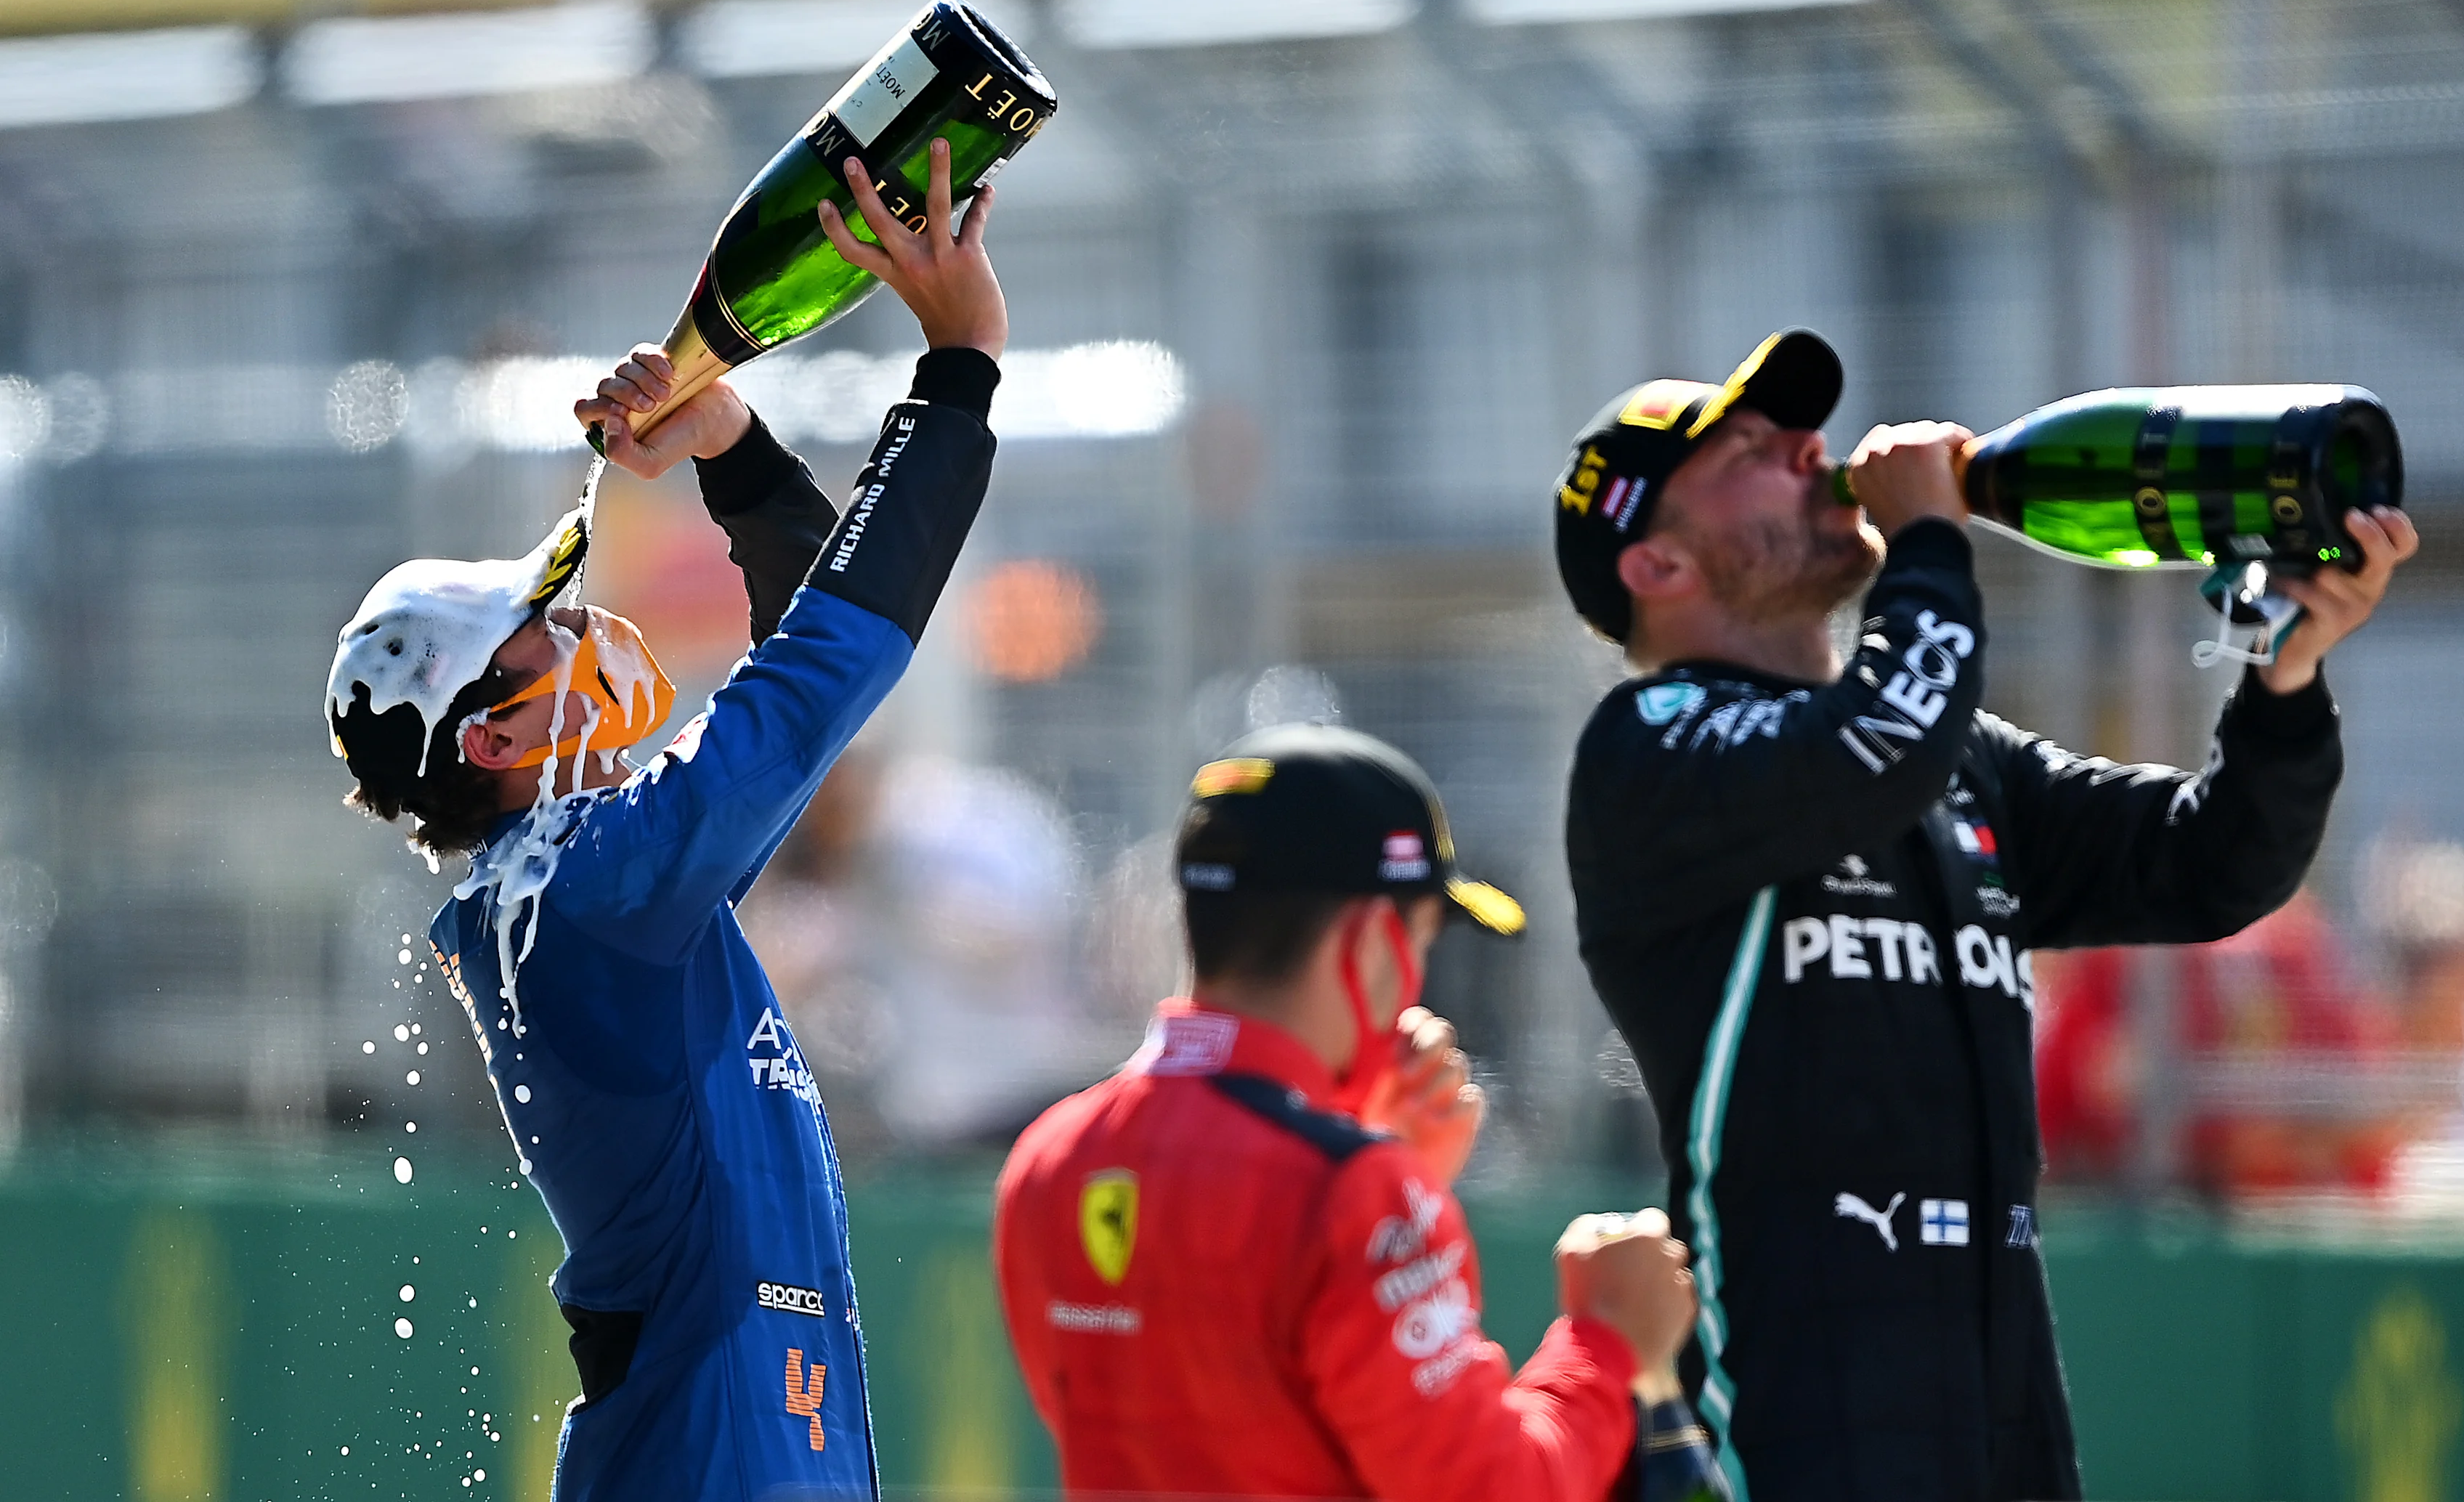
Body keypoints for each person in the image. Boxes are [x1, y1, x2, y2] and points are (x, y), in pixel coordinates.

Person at [1550, 328, 2418, 1502]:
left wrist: (2283, 675)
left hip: (1999, 1390)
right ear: (1658, 564)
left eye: (1798, 431)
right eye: (1751, 452)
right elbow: (1875, 744)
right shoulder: (1652, 748)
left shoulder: (1956, 758)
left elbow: (2210, 863)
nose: (1811, 450)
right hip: (1797, 1392)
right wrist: (1925, 539)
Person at [325, 145, 1005, 1501]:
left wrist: (734, 452)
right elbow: (823, 671)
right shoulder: (591, 886)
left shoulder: (574, 884)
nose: (582, 627)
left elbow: (809, 668)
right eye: (540, 631)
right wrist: (959, 369)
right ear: (491, 738)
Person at [994, 723, 1730, 1502]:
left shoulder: (1050, 1156)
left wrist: (1372, 1149)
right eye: (1423, 942)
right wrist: (1608, 1339)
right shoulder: (1347, 1191)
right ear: (1376, 938)